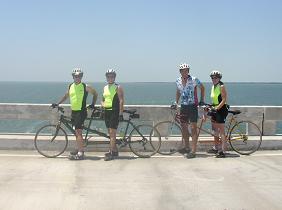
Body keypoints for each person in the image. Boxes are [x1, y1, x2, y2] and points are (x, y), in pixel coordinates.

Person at [53, 68, 98, 160]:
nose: (77, 77)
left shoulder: (85, 86)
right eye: (75, 76)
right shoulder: (70, 86)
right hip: (74, 112)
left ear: (81, 77)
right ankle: (79, 148)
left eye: (79, 76)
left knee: (78, 131)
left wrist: (93, 104)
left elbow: (95, 94)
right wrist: (58, 103)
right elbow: (66, 96)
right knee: (77, 132)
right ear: (73, 77)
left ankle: (81, 153)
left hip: (81, 112)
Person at [175, 63, 205, 158]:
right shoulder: (178, 80)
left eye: (186, 70)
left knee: (193, 128)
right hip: (184, 106)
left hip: (193, 106)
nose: (185, 72)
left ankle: (193, 151)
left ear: (188, 71)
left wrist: (201, 100)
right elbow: (178, 91)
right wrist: (176, 102)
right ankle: (187, 147)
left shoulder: (194, 79)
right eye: (183, 71)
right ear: (180, 72)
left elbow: (202, 88)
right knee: (184, 128)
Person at [101, 69, 124, 161]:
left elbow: (121, 101)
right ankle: (115, 151)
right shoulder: (105, 87)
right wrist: (103, 106)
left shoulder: (118, 87)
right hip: (107, 112)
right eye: (108, 76)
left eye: (112, 76)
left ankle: (111, 153)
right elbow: (102, 99)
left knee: (112, 133)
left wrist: (121, 113)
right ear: (106, 77)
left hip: (114, 111)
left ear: (114, 77)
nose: (110, 78)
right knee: (110, 133)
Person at [207, 70, 229, 158]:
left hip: (221, 110)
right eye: (212, 77)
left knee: (221, 131)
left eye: (215, 77)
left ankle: (223, 151)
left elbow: (224, 100)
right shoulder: (213, 86)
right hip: (215, 110)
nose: (214, 79)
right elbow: (214, 100)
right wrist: (209, 106)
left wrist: (216, 108)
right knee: (215, 131)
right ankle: (216, 148)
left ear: (219, 78)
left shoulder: (221, 86)